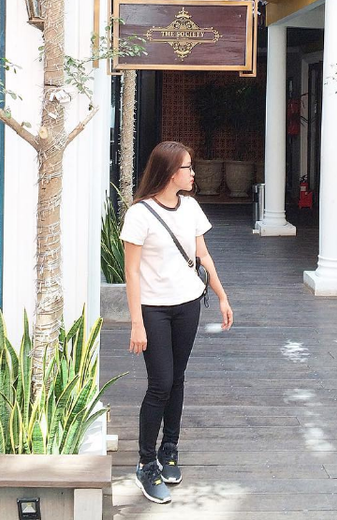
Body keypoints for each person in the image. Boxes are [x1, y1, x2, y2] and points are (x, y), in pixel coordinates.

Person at [120, 141, 233, 504]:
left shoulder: (191, 207)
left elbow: (202, 256)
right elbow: (131, 273)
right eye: (188, 167)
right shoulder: (139, 214)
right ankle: (146, 463)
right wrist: (136, 323)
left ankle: (169, 449)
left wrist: (221, 295)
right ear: (171, 173)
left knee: (177, 378)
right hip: (153, 309)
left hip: (188, 304)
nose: (193, 173)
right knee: (160, 384)